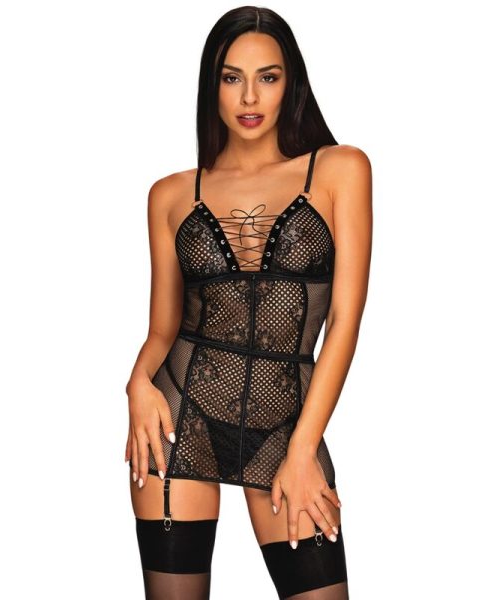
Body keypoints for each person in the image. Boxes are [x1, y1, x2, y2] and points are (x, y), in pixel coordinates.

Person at [124, 6, 372, 599]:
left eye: (268, 76)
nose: (250, 97)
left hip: (288, 424)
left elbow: (344, 321)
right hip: (178, 413)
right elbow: (162, 328)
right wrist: (135, 385)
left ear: (292, 83)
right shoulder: (170, 194)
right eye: (231, 77)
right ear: (212, 85)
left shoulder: (340, 169)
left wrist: (304, 448)